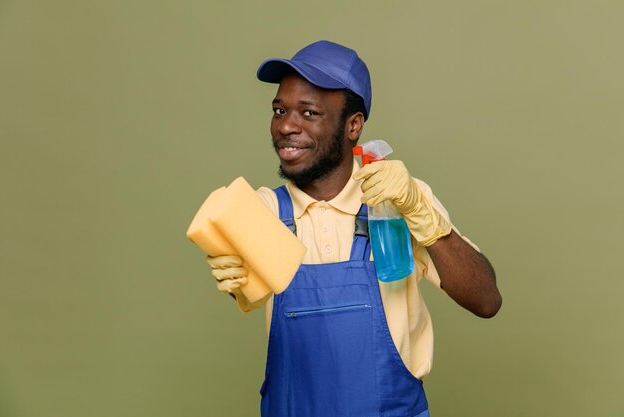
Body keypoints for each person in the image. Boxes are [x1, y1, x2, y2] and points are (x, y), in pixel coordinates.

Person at [206, 40, 502, 417]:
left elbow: (486, 300)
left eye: (308, 113)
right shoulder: (263, 212)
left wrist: (424, 218)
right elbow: (246, 285)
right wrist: (240, 283)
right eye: (279, 110)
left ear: (353, 125)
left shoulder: (397, 202)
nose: (285, 126)